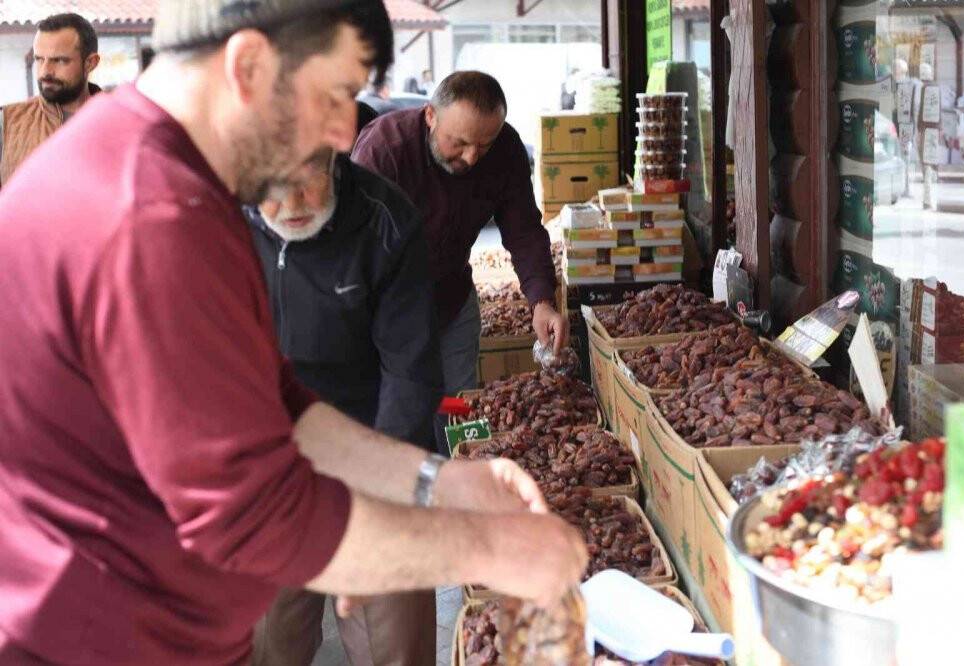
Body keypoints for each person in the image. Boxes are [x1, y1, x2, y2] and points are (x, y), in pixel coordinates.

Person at [0, 2, 588, 664]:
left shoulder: (169, 172)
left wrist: (436, 482)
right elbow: (255, 515)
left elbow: (275, 401)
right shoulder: (146, 213)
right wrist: (491, 549)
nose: (344, 134)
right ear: (248, 64)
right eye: (336, 94)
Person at [246, 148, 444, 666]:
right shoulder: (215, 222)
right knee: (266, 639)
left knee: (394, 643)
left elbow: (409, 371)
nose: (291, 203)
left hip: (375, 444)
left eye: (306, 178)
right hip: (272, 461)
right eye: (272, 185)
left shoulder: (386, 222)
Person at [352, 71, 568, 436]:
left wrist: (542, 301)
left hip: (452, 302)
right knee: (396, 416)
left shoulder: (505, 150)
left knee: (458, 408)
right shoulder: (384, 150)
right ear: (430, 117)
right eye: (459, 143)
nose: (470, 157)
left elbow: (525, 231)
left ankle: (460, 476)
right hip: (387, 312)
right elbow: (351, 249)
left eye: (483, 146)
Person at [0, 13, 100, 187]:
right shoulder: (7, 123)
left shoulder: (123, 122)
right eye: (39, 59)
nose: (45, 72)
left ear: (90, 63)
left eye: (60, 60)